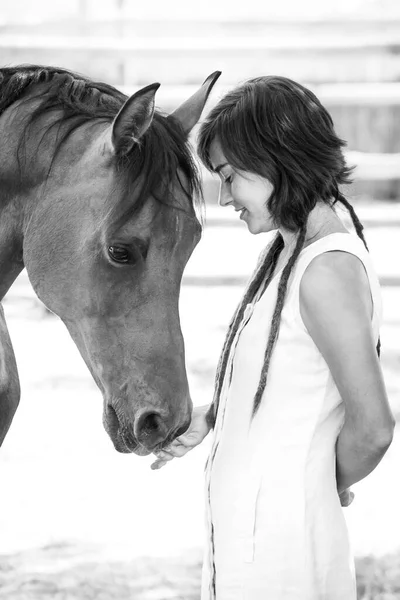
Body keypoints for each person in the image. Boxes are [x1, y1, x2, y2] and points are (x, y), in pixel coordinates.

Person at [151, 76, 395, 600]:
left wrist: (311, 486)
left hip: (283, 555)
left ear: (276, 159)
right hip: (254, 546)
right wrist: (220, 417)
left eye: (230, 176)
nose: (223, 198)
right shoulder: (290, 249)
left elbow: (373, 428)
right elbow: (298, 378)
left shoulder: (324, 268)